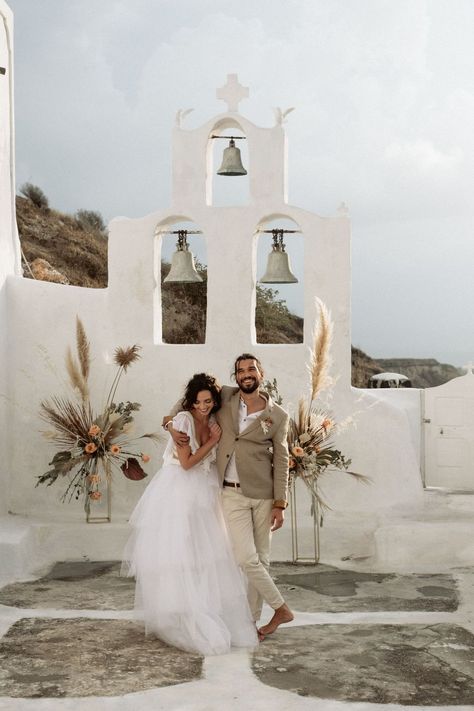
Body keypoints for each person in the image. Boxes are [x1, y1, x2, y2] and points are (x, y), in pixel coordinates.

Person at [122, 372, 257, 656]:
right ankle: (179, 613)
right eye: (199, 402)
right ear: (191, 402)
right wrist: (209, 442)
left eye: (208, 401)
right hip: (179, 490)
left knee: (207, 552)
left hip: (205, 490)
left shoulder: (214, 419)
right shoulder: (182, 420)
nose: (204, 406)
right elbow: (186, 464)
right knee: (181, 552)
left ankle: (206, 606)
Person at [165, 354, 294, 639]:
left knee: (262, 559)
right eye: (240, 371)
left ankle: (251, 623)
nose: (246, 374)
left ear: (261, 373)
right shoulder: (225, 396)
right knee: (246, 558)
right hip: (230, 492)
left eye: (251, 369)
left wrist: (280, 503)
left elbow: (283, 459)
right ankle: (282, 608)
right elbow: (188, 400)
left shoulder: (278, 416)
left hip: (263, 494)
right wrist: (171, 425)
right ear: (236, 376)